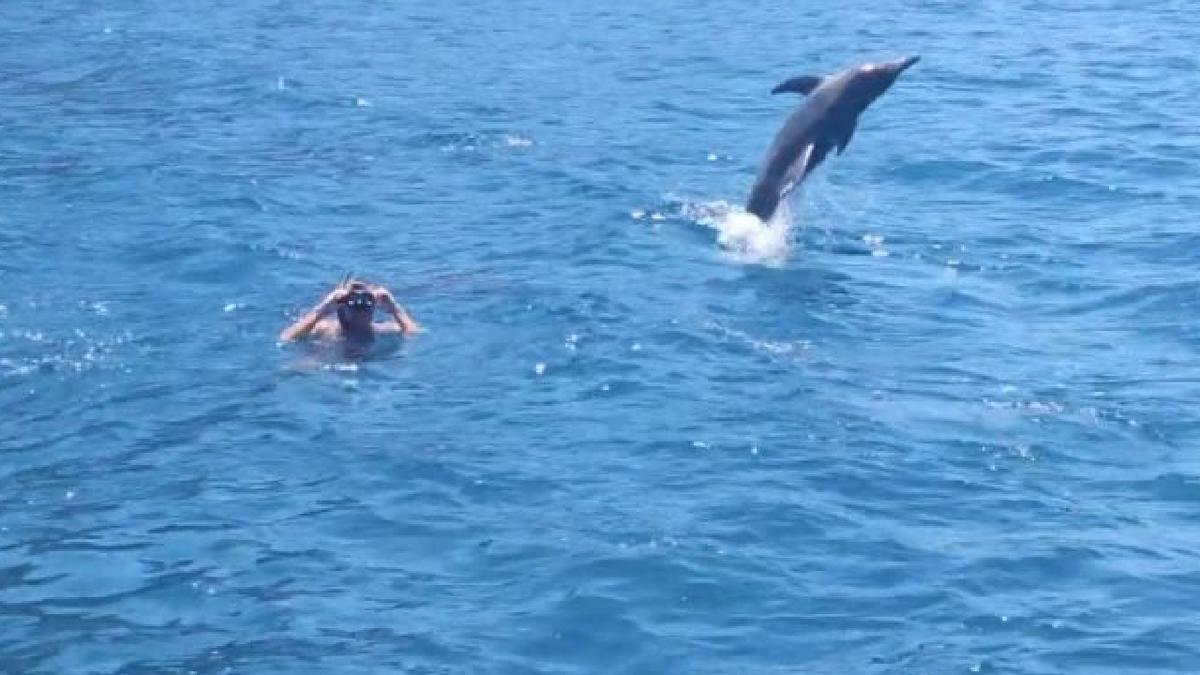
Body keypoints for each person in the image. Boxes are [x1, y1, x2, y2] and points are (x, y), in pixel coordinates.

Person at [279, 280, 420, 347]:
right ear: (342, 307)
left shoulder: (383, 330)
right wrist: (323, 309)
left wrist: (394, 307)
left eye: (366, 303)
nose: (361, 310)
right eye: (354, 304)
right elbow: (285, 338)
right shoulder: (324, 330)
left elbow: (415, 335)